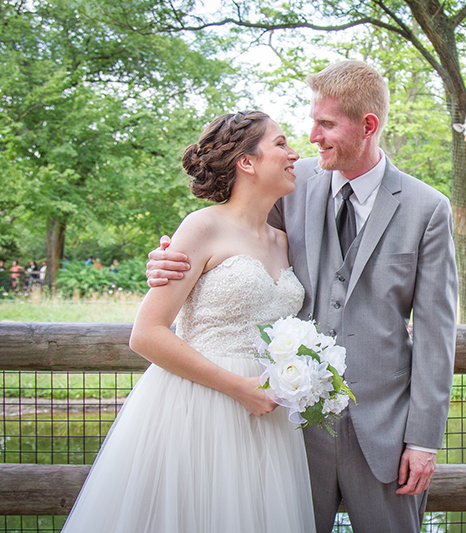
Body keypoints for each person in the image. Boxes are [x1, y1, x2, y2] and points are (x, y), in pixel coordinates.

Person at [147, 61, 459, 533]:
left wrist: (423, 440)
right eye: (311, 121)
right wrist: (164, 257)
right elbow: (229, 235)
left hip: (385, 432)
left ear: (368, 125)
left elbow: (437, 331)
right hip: (285, 429)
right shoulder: (290, 184)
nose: (311, 136)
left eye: (326, 124)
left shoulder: (426, 208)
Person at [62, 111, 315, 533]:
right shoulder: (201, 228)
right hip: (201, 407)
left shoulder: (284, 241)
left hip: (267, 416)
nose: (294, 154)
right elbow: (146, 334)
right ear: (246, 162)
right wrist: (240, 388)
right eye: (281, 144)